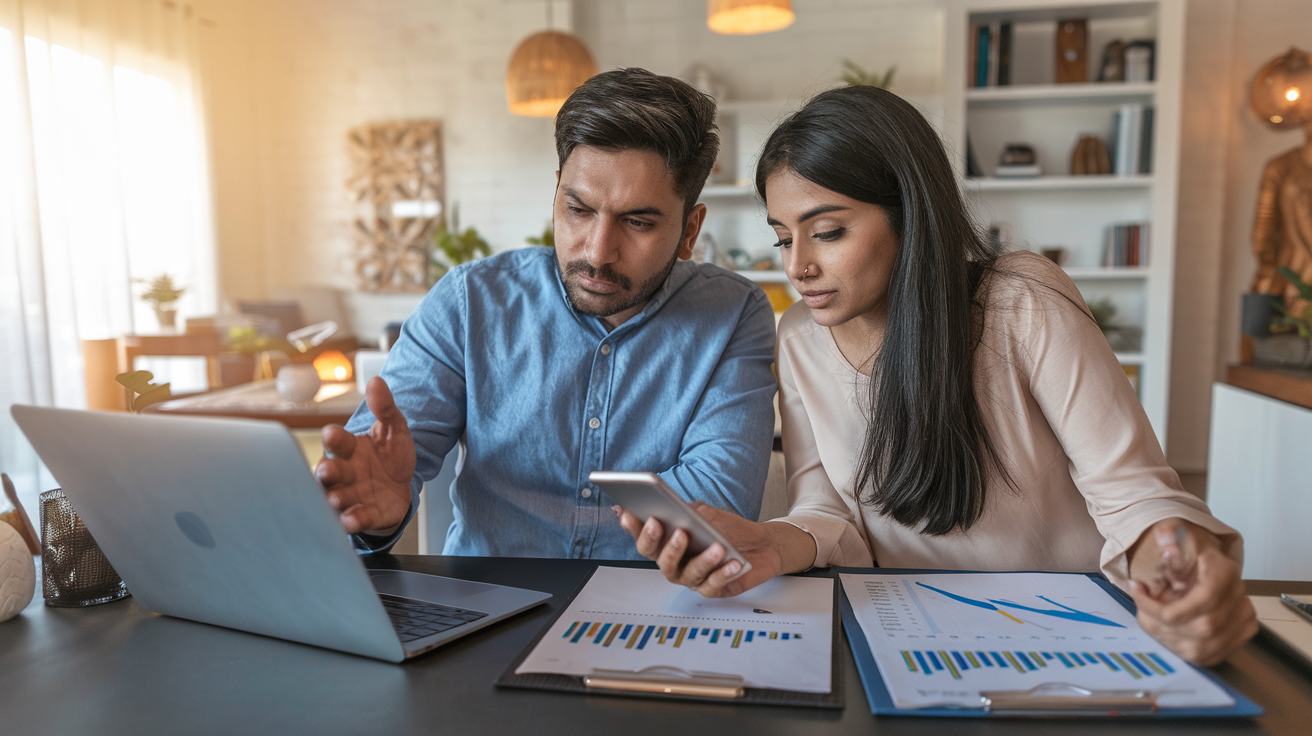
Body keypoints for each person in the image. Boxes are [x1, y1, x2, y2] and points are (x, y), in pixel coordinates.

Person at [618, 85, 1258, 665]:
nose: (799, 266)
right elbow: (828, 511)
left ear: (910, 215)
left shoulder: (1019, 300)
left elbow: (1133, 493)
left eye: (829, 231)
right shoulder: (800, 339)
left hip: (1074, 632)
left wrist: (1175, 560)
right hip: (911, 638)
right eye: (784, 238)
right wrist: (769, 542)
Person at [315, 68, 776, 558]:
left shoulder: (734, 314)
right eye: (578, 210)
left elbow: (720, 505)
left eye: (638, 222)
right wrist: (374, 515)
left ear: (690, 229)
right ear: (556, 193)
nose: (598, 252)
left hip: (650, 608)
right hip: (487, 604)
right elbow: (378, 470)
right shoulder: (469, 301)